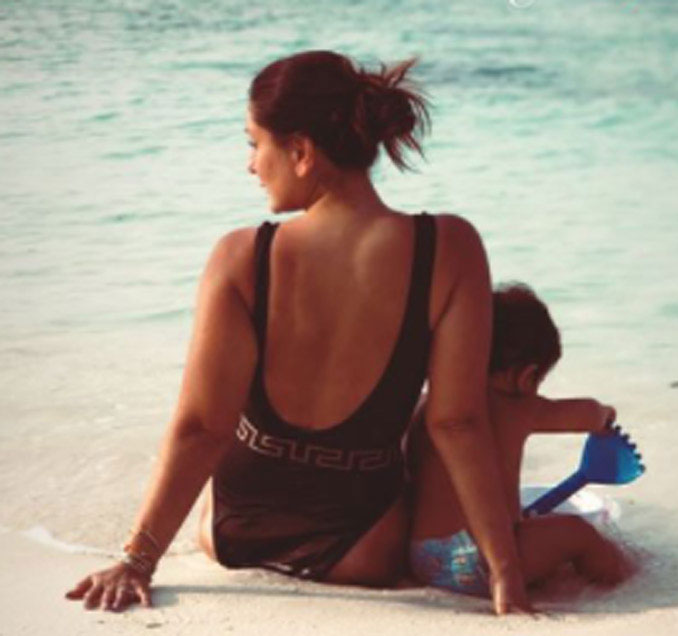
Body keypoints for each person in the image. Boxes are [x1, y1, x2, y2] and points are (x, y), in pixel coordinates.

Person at [65, 50, 529, 615]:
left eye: (253, 144)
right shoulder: (450, 248)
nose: (251, 166)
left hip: (233, 532)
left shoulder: (242, 256)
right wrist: (506, 573)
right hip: (363, 547)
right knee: (424, 420)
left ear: (302, 152)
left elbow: (201, 428)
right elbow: (458, 422)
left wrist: (138, 560)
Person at [407, 282, 633, 597]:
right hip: (478, 562)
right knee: (578, 533)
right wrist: (605, 416)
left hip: (422, 557)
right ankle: (624, 580)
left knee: (533, 521)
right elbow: (586, 414)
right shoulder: (516, 409)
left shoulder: (433, 407)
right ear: (526, 376)